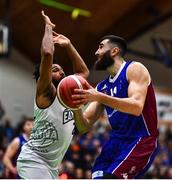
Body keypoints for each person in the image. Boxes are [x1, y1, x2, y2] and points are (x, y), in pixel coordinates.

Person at [72, 35, 159, 179]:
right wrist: (73, 106)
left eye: (100, 47)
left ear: (114, 51)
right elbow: (84, 125)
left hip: (140, 140)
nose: (96, 52)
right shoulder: (102, 87)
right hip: (115, 142)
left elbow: (136, 107)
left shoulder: (134, 69)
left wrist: (100, 97)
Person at [17, 11, 89, 179]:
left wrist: (69, 45)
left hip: (52, 166)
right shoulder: (46, 92)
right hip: (34, 160)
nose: (62, 72)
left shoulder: (68, 97)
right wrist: (48, 27)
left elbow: (83, 73)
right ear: (46, 75)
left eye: (62, 70)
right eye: (56, 70)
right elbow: (48, 53)